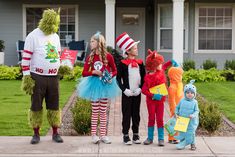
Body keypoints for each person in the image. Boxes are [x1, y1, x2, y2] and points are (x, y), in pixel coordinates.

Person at [21, 8, 63, 144]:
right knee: (36, 105)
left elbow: (59, 55)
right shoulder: (32, 36)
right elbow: (26, 58)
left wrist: (62, 67)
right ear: (45, 22)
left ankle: (55, 133)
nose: (54, 27)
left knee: (54, 105)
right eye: (52, 24)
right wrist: (27, 77)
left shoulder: (55, 36)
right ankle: (36, 133)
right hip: (37, 77)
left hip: (53, 77)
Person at [77, 32, 119, 144]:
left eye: (92, 41)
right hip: (94, 85)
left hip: (105, 85)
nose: (90, 43)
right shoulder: (91, 57)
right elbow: (84, 72)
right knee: (95, 111)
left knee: (103, 111)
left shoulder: (108, 56)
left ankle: (103, 135)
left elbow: (115, 70)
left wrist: (110, 76)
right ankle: (94, 135)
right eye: (91, 41)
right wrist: (93, 72)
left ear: (99, 43)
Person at [141, 49, 178, 146]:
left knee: (160, 119)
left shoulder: (160, 71)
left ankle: (161, 138)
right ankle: (150, 138)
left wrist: (171, 62)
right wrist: (153, 95)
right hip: (151, 101)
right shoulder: (148, 77)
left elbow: (164, 66)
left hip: (160, 102)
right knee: (151, 118)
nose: (162, 65)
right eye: (159, 63)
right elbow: (144, 90)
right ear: (154, 65)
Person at [116, 32, 145, 145]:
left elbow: (144, 78)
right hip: (127, 93)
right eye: (134, 48)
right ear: (128, 51)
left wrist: (140, 88)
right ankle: (126, 135)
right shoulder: (122, 64)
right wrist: (124, 90)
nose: (137, 50)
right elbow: (118, 79)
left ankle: (136, 134)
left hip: (137, 93)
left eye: (136, 48)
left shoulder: (140, 63)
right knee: (126, 114)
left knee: (136, 114)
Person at [174, 80, 199, 150]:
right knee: (182, 132)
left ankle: (192, 143)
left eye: (191, 93)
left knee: (191, 132)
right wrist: (176, 114)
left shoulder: (195, 102)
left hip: (191, 121)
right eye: (187, 92)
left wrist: (193, 115)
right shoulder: (182, 100)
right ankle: (182, 142)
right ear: (185, 93)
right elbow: (177, 108)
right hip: (182, 120)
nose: (189, 94)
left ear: (194, 94)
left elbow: (197, 111)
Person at [167, 67, 184, 144]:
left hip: (180, 108)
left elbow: (181, 96)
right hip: (175, 109)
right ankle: (171, 138)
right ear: (175, 76)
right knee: (173, 122)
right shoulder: (172, 87)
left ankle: (177, 137)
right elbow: (172, 100)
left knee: (179, 123)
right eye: (180, 75)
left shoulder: (179, 85)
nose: (181, 76)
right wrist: (175, 111)